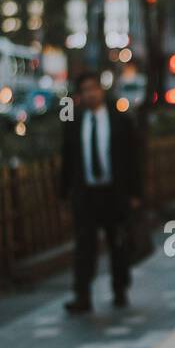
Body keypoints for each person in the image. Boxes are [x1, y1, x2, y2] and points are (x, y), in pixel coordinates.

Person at [59, 71, 143, 314]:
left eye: (94, 88)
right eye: (85, 90)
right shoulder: (74, 123)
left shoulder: (120, 120)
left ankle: (120, 288)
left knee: (117, 242)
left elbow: (132, 159)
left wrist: (135, 193)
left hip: (114, 193)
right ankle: (82, 294)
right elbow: (67, 160)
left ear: (102, 91)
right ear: (80, 95)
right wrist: (64, 194)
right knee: (84, 246)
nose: (90, 94)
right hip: (86, 194)